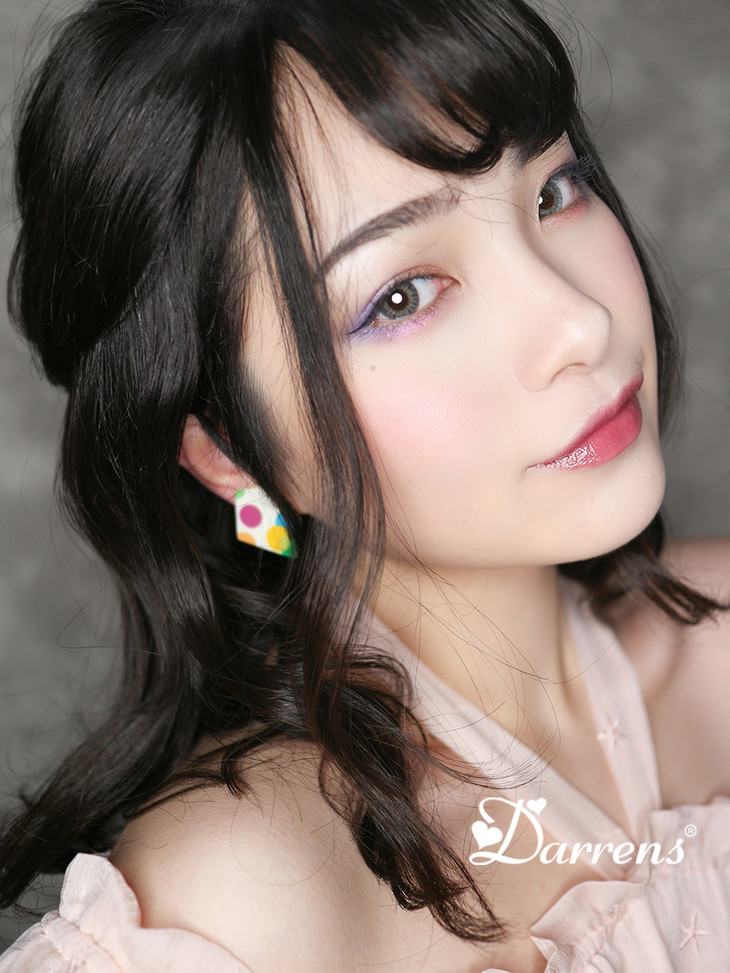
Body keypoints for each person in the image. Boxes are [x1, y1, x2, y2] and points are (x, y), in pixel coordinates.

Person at [0, 0, 728, 969]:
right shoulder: (248, 894)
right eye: (402, 296)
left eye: (555, 191)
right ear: (226, 450)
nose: (580, 323)